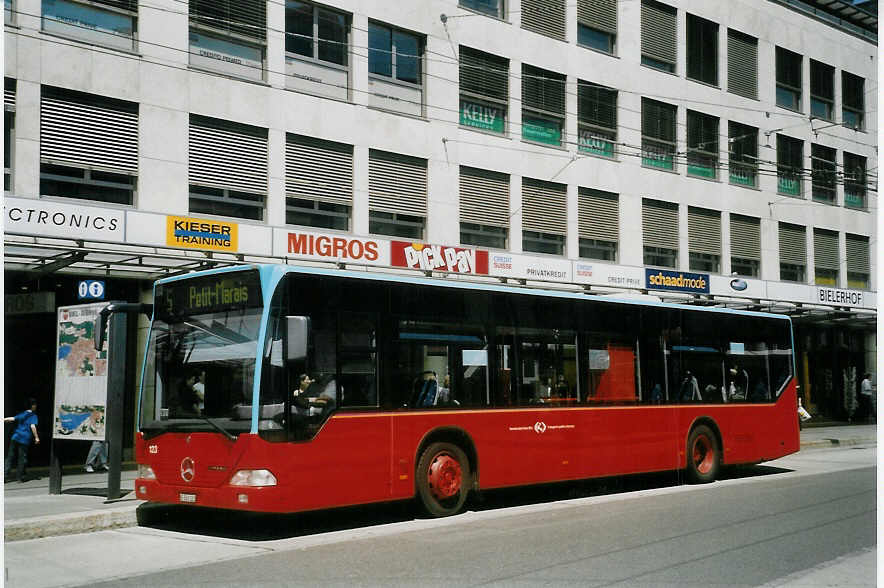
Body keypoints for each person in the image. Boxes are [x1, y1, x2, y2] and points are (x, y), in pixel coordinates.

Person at [5, 397, 40, 482]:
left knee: (10, 457)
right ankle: (19, 477)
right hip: (24, 439)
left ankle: (4, 475)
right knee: (22, 458)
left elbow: (12, 418)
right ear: (32, 406)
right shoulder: (33, 416)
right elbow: (32, 426)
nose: (35, 406)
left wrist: (4, 419)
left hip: (15, 437)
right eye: (35, 404)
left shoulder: (22, 413)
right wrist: (36, 437)